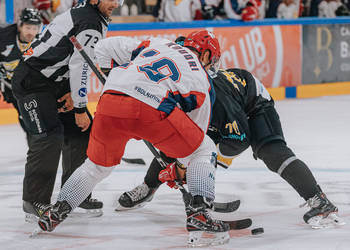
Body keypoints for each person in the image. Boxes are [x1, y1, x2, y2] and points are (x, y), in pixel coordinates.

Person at [115, 37, 344, 229]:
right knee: (177, 140)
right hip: (222, 113)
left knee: (273, 152)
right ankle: (148, 186)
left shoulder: (216, 94)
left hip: (253, 107)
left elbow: (238, 139)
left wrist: (198, 166)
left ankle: (319, 200)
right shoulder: (182, 82)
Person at [37, 30, 233, 247]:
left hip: (110, 101)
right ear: (205, 55)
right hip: (153, 110)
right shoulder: (202, 78)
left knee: (95, 167)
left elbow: (102, 47)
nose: (212, 64)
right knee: (203, 148)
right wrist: (183, 170)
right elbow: (193, 140)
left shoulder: (157, 43)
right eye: (212, 59)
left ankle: (56, 211)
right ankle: (199, 213)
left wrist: (113, 77)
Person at [11, 0, 120, 222]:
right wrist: (80, 106)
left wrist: (72, 93)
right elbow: (80, 65)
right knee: (49, 137)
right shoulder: (90, 20)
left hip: (55, 81)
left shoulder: (88, 15)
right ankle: (34, 201)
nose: (116, 4)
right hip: (33, 81)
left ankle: (74, 195)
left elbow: (72, 58)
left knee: (81, 131)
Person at [0, 8, 42, 134]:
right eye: (28, 27)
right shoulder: (4, 36)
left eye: (34, 28)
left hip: (31, 84)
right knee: (24, 114)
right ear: (20, 26)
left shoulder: (41, 41)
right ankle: (33, 141)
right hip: (10, 84)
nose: (31, 32)